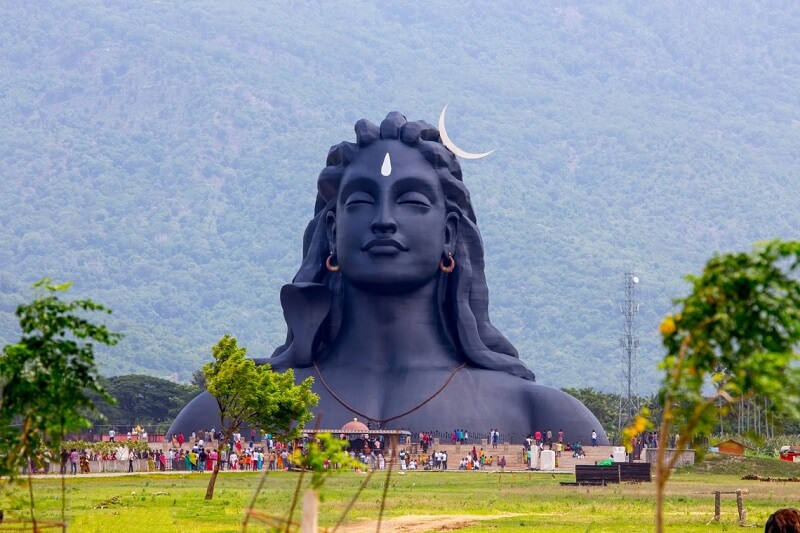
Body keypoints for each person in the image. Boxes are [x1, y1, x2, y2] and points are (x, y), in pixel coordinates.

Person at [168, 112, 608, 444]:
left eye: (412, 201)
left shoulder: (542, 414)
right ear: (333, 232)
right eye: (360, 201)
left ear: (450, 234)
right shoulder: (226, 414)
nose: (383, 221)